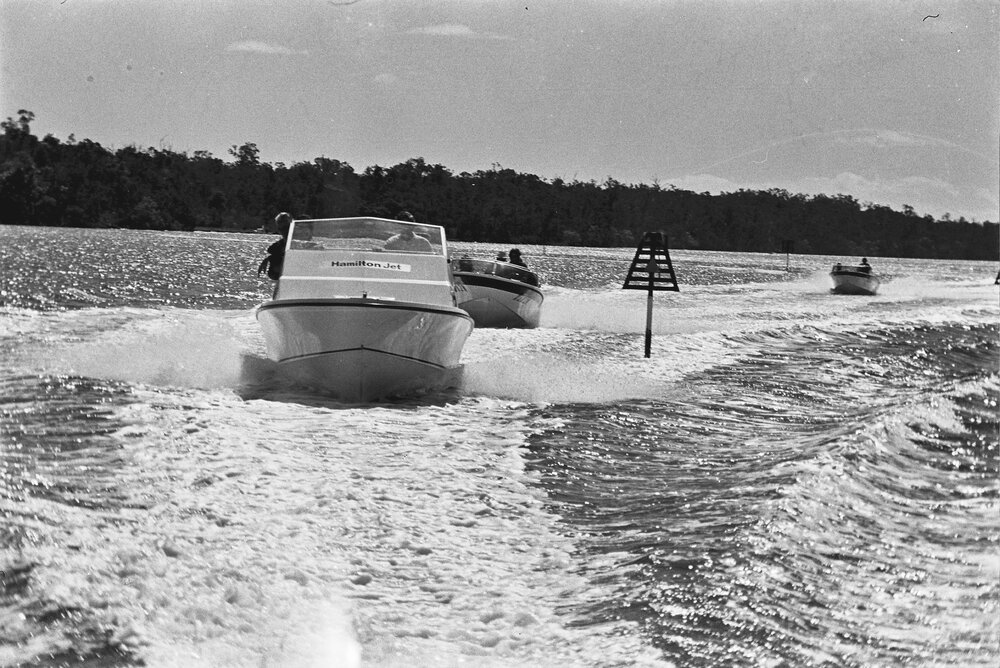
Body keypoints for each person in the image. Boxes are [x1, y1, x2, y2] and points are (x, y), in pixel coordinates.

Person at [257, 212, 292, 280]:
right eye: (282, 228)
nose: (285, 231)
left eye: (287, 227)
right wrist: (270, 259)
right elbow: (273, 274)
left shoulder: (301, 243)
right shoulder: (276, 248)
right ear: (279, 230)